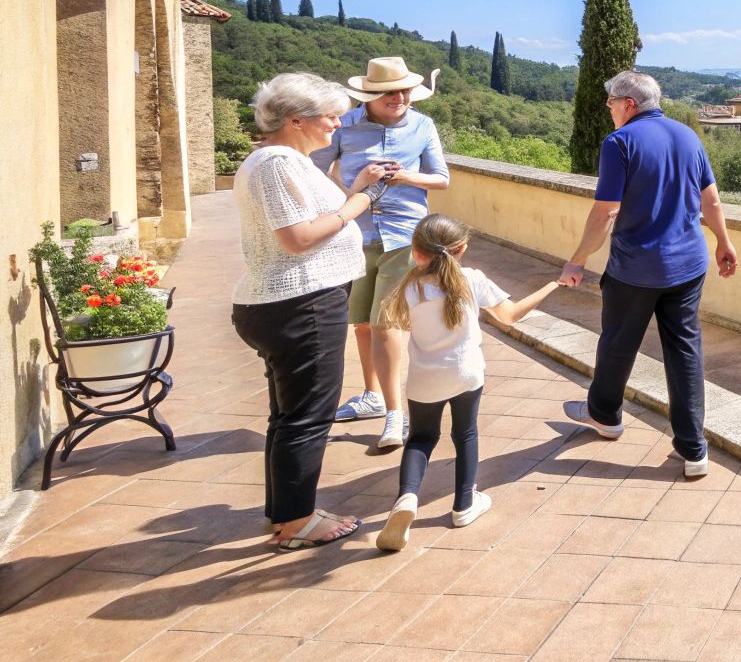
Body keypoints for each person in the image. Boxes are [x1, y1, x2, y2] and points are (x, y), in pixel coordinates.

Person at [232, 72, 387, 550]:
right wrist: (358, 203)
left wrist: (357, 188)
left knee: (289, 415)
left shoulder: (285, 161)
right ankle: (298, 522)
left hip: (289, 303)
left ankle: (286, 513)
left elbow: (307, 218)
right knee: (308, 417)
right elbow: (298, 238)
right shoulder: (278, 163)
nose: (338, 124)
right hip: (300, 304)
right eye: (330, 116)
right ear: (295, 119)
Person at [557, 70, 737, 478]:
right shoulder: (687, 135)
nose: (608, 109)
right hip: (688, 266)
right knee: (685, 351)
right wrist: (724, 243)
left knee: (618, 343)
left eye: (611, 102)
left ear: (629, 104)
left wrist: (577, 260)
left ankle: (605, 415)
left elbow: (606, 212)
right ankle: (694, 450)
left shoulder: (619, 142)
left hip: (637, 269)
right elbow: (711, 201)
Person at [373, 214, 558, 551]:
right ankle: (464, 504)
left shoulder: (410, 286)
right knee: (466, 434)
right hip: (466, 372)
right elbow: (509, 316)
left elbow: (394, 325)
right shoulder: (471, 279)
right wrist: (553, 285)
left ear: (416, 251)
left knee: (421, 439)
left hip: (424, 379)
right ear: (461, 248)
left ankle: (407, 497)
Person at [311, 56, 450, 450]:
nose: (399, 97)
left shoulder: (422, 126)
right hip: (355, 235)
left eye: (404, 91)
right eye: (389, 92)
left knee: (387, 324)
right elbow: (313, 174)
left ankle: (395, 415)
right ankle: (372, 396)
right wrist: (357, 185)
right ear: (368, 95)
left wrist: (405, 177)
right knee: (362, 323)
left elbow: (441, 179)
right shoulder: (344, 126)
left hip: (405, 236)